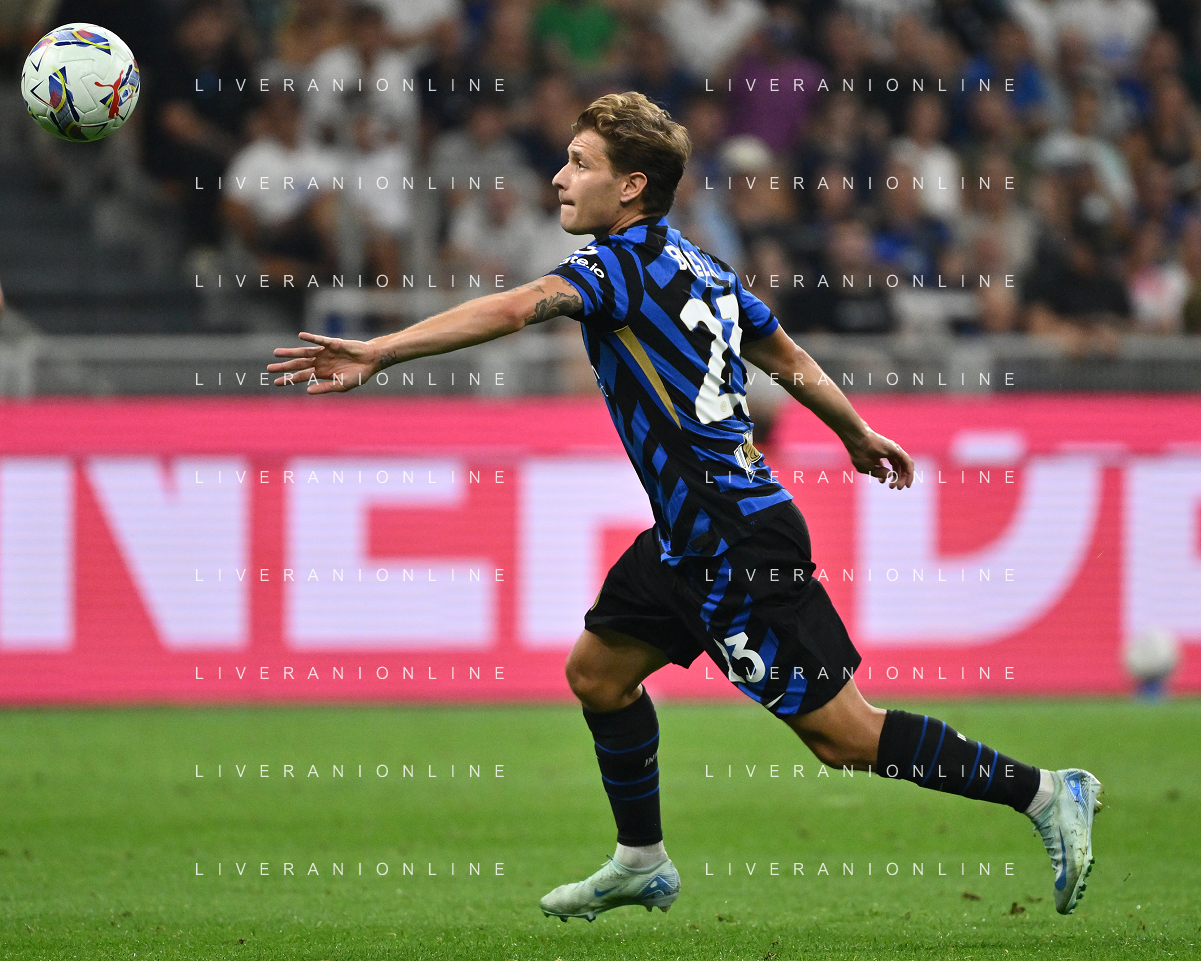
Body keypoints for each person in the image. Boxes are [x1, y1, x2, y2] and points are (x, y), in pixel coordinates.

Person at [266, 91, 1103, 921]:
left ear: (630, 186)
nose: (559, 177)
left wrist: (379, 350)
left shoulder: (614, 267)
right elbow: (780, 350)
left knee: (842, 735)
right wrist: (852, 430)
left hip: (735, 539)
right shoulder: (702, 265)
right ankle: (640, 859)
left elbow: (516, 306)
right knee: (598, 673)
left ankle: (1043, 791)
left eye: (580, 164)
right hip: (685, 537)